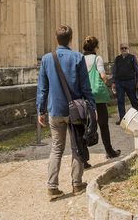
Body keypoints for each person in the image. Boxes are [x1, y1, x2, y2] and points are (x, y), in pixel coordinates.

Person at [37, 25, 95, 200]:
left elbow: (42, 88)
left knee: (56, 149)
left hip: (55, 110)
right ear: (70, 39)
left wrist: (40, 110)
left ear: (56, 39)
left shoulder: (47, 59)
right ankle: (77, 184)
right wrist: (91, 108)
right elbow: (86, 87)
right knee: (77, 146)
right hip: (75, 111)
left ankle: (52, 186)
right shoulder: (77, 57)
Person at [82, 36, 121, 161]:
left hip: (84, 94)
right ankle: (109, 151)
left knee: (85, 125)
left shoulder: (80, 59)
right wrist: (105, 80)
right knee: (103, 124)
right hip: (97, 95)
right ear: (95, 47)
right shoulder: (97, 58)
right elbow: (102, 75)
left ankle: (84, 157)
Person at [111, 43, 138, 124]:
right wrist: (113, 82)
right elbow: (114, 71)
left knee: (133, 100)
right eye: (122, 48)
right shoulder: (117, 58)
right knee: (120, 101)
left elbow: (137, 69)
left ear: (128, 49)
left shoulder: (132, 57)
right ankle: (122, 119)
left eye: (125, 48)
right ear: (120, 49)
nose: (124, 49)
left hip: (130, 81)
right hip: (119, 82)